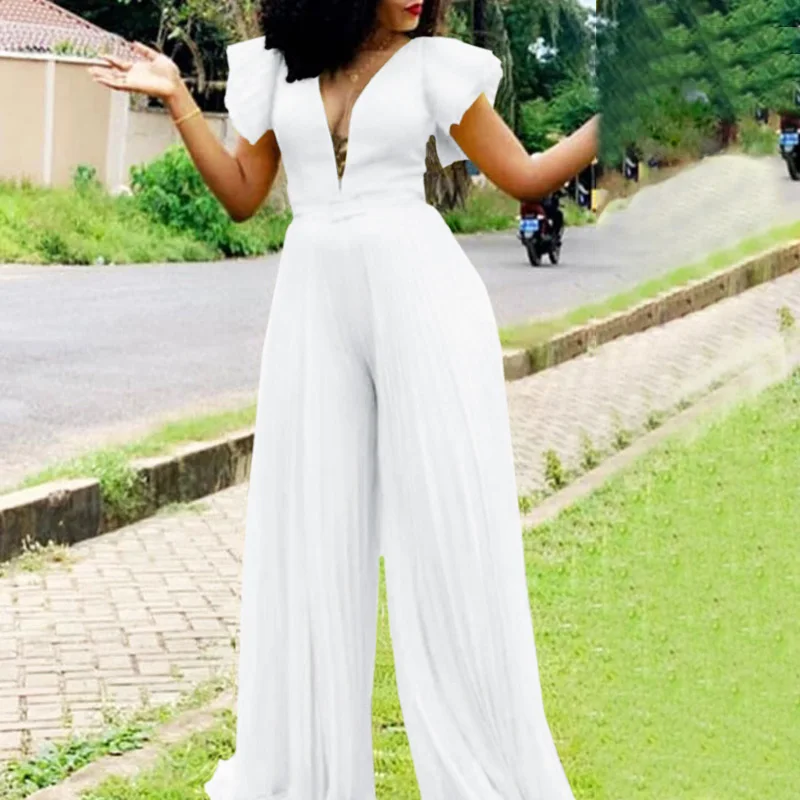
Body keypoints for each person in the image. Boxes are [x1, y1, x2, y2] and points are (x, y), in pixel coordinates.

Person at [89, 1, 598, 797]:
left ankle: (492, 777)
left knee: (450, 533)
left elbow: (525, 175)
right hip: (312, 302)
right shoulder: (278, 67)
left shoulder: (435, 66)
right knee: (307, 529)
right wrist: (179, 96)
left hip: (422, 298)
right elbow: (243, 194)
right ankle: (304, 775)